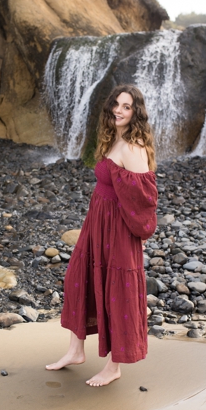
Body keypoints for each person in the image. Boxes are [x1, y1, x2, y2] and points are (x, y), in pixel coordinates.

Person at [46, 84, 160, 387]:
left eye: (126, 107)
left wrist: (141, 232)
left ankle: (114, 366)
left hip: (119, 229)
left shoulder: (133, 146)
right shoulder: (115, 139)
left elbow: (144, 196)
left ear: (136, 112)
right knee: (78, 277)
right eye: (116, 105)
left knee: (118, 291)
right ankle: (75, 351)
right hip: (98, 222)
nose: (119, 111)